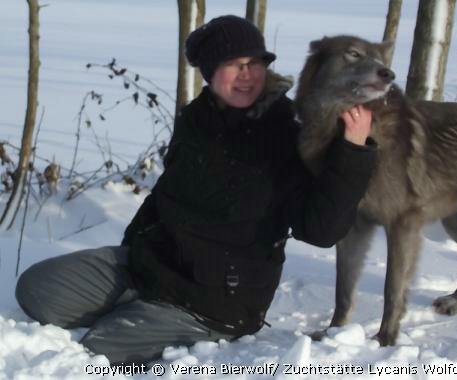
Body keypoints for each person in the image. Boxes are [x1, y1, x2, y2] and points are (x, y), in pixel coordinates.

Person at [15, 15, 376, 365]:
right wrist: (133, 251)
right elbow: (164, 194)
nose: (247, 75)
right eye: (233, 65)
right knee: (36, 289)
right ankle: (140, 300)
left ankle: (167, 320)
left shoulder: (287, 133)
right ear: (208, 73)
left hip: (217, 300)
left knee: (100, 346)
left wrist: (353, 150)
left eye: (254, 63)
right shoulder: (195, 120)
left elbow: (322, 231)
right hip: (155, 265)